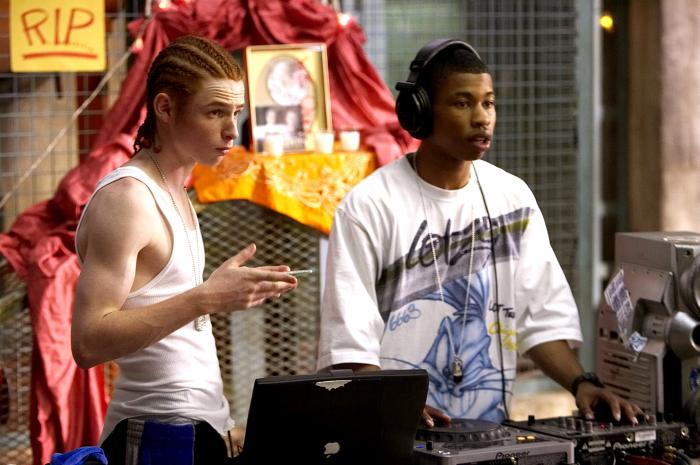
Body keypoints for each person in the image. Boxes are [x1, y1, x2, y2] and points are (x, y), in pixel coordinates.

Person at [316, 38, 641, 427]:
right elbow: (350, 339)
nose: (482, 118)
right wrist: (395, 404)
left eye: (488, 103)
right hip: (393, 435)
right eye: (462, 103)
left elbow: (539, 317)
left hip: (489, 436)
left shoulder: (512, 198)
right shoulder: (369, 206)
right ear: (420, 112)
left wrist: (582, 383)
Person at [71, 35, 298, 464]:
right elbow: (88, 342)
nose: (232, 130)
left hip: (196, 428)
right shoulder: (128, 198)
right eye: (215, 112)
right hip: (154, 432)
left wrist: (221, 422)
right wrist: (207, 298)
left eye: (236, 113)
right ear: (165, 108)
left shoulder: (174, 188)